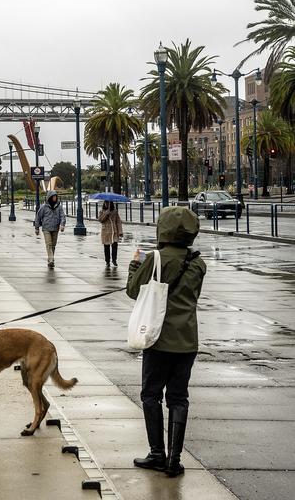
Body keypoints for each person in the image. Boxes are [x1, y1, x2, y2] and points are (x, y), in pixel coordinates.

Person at [126, 206, 206, 477]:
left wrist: (135, 264)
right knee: (178, 397)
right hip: (187, 340)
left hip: (158, 338)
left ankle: (157, 453)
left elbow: (133, 291)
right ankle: (175, 459)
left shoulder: (156, 258)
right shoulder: (198, 263)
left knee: (151, 394)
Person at [34, 190, 66, 268]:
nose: (55, 198)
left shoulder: (59, 207)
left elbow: (62, 216)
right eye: (54, 196)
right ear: (50, 197)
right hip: (46, 229)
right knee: (49, 244)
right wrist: (37, 228)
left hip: (55, 228)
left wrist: (62, 225)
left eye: (56, 196)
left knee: (53, 245)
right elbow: (38, 217)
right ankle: (51, 259)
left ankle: (50, 259)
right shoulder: (44, 207)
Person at [97, 201, 124, 266]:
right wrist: (106, 213)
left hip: (114, 231)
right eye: (106, 203)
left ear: (111, 203)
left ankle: (114, 260)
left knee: (115, 246)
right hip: (105, 231)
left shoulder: (115, 211)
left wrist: (120, 231)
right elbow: (100, 220)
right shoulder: (102, 211)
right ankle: (107, 261)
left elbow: (118, 222)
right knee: (106, 247)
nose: (107, 204)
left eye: (108, 203)